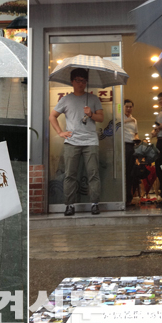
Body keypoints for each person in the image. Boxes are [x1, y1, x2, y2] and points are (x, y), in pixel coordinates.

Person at [49, 68, 104, 216]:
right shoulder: (66, 99)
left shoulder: (93, 99)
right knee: (70, 174)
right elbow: (52, 116)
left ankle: (94, 204)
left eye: (84, 81)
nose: (81, 83)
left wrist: (91, 114)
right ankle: (69, 205)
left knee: (93, 173)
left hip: (90, 141)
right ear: (72, 82)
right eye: (78, 80)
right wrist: (60, 132)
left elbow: (101, 118)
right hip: (72, 142)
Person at [123, 99, 139, 206]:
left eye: (130, 107)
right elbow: (117, 124)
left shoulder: (135, 120)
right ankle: (121, 197)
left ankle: (129, 198)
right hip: (122, 145)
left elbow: (136, 133)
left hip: (131, 146)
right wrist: (128, 121)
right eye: (127, 106)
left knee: (130, 172)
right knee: (122, 173)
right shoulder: (119, 117)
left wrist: (137, 139)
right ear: (123, 107)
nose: (129, 109)